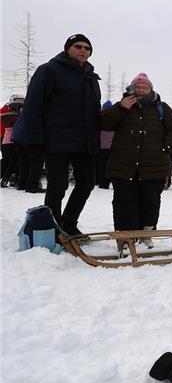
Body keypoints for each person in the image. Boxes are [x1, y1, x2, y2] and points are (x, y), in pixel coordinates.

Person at [23, 34, 101, 235]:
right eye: (78, 46)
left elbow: (93, 112)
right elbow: (33, 106)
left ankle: (68, 223)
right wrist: (35, 140)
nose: (83, 50)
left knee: (86, 184)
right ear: (67, 48)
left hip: (84, 143)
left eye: (87, 47)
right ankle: (53, 230)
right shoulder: (49, 70)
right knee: (57, 187)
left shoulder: (91, 77)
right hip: (56, 140)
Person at [100, 73, 172, 247]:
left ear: (151, 89)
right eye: (138, 87)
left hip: (155, 164)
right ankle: (125, 237)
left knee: (150, 201)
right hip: (123, 164)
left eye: (145, 87)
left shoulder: (162, 107)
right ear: (132, 88)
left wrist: (167, 147)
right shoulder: (122, 106)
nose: (141, 90)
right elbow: (104, 124)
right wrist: (121, 108)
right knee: (124, 202)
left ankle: (146, 233)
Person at [0, 95, 24, 187]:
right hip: (11, 140)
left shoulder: (5, 115)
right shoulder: (13, 116)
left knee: (9, 160)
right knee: (14, 160)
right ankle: (10, 178)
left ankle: (6, 178)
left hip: (5, 140)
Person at [96, 100, 114, 189]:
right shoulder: (114, 116)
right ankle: (113, 182)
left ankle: (103, 183)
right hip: (113, 146)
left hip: (102, 146)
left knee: (102, 165)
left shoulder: (99, 116)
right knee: (113, 166)